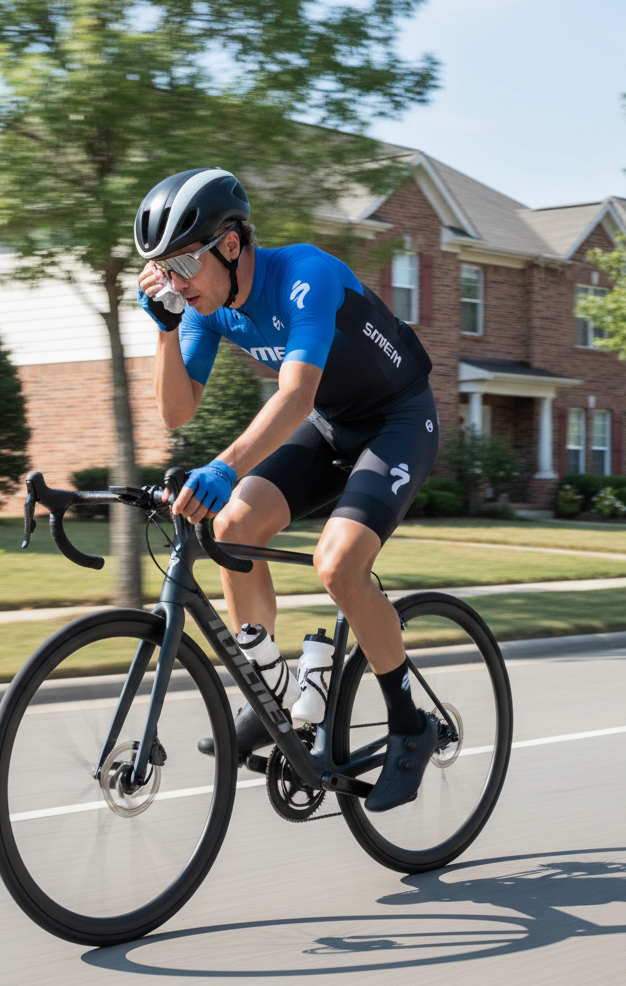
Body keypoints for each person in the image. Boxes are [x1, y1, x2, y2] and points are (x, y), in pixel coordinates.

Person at [135, 167, 440, 812]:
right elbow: (175, 413)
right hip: (331, 427)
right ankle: (272, 697)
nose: (176, 283)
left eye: (184, 264)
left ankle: (410, 725)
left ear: (231, 245)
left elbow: (295, 392)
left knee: (337, 565)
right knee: (231, 529)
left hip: (397, 419)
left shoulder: (308, 274)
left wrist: (225, 466)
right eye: (165, 272)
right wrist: (164, 329)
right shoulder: (205, 309)